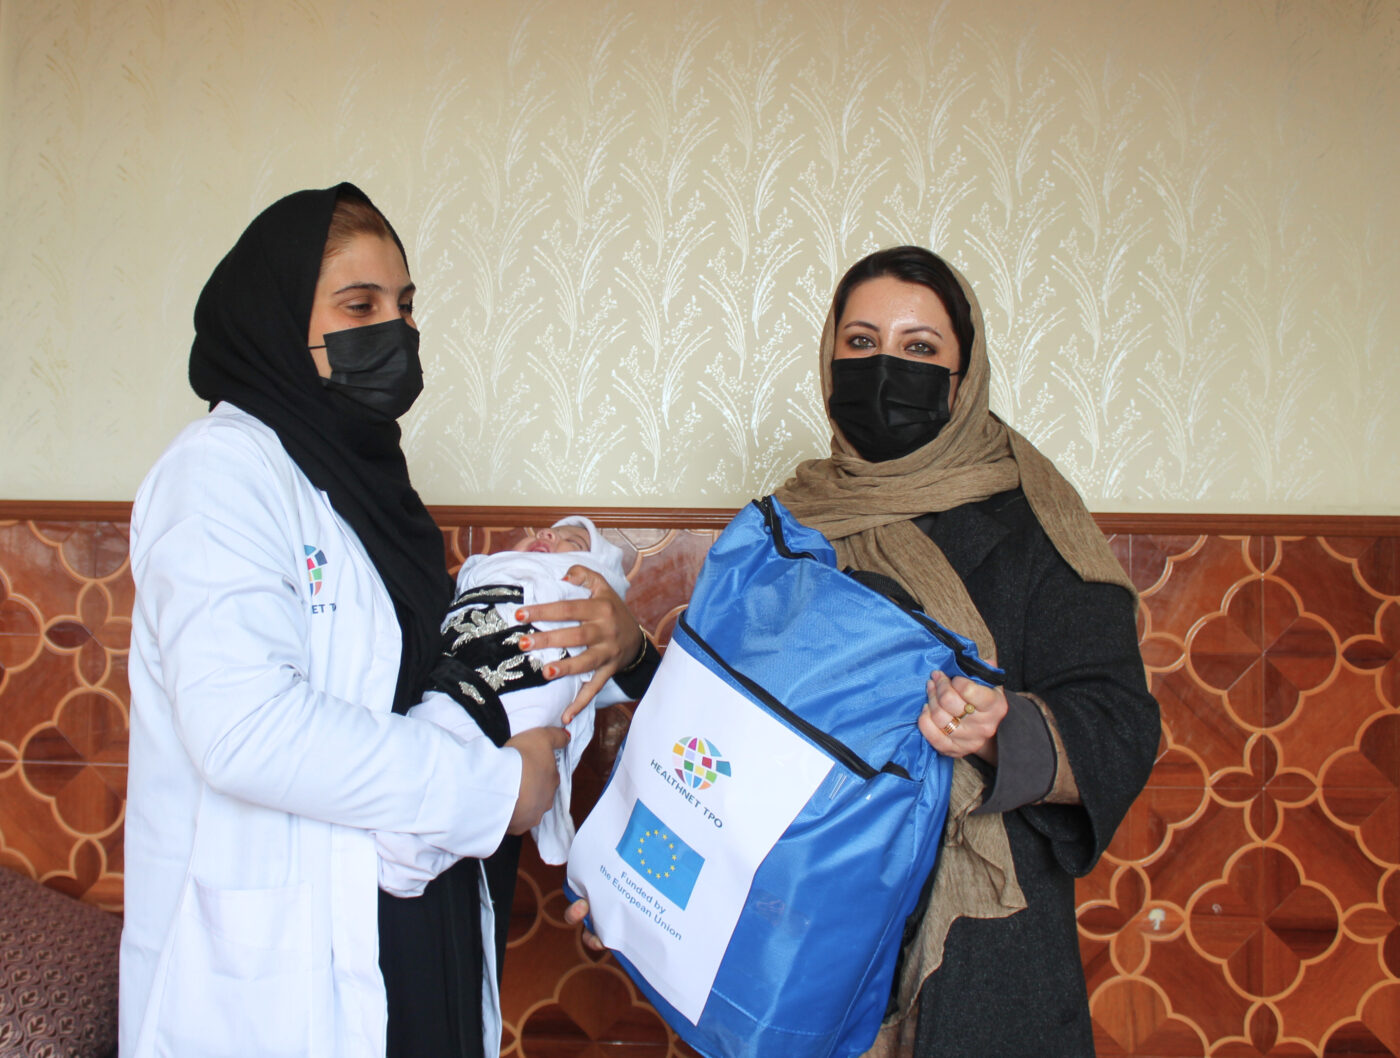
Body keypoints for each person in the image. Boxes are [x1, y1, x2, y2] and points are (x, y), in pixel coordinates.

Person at [567, 246, 1158, 1057]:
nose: (885, 367)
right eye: (861, 342)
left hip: (974, 970)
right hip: (793, 946)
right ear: (829, 358)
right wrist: (628, 885)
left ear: (963, 374)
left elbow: (1121, 719)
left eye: (919, 348)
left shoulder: (1034, 529)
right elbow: (745, 729)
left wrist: (1004, 726)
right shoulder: (792, 522)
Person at [118, 183, 646, 1058]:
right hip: (280, 973)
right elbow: (245, 730)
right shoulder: (218, 474)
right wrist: (493, 790)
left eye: (404, 308)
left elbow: (428, 691)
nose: (392, 332)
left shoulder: (370, 492)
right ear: (282, 321)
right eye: (358, 305)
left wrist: (572, 635)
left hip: (414, 921)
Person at [376, 516, 639, 962]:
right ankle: (401, 850)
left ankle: (407, 853)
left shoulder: (575, 597)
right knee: (441, 734)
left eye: (571, 542)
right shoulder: (475, 580)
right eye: (544, 533)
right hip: (449, 688)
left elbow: (619, 669)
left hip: (530, 684)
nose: (547, 536)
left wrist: (628, 641)